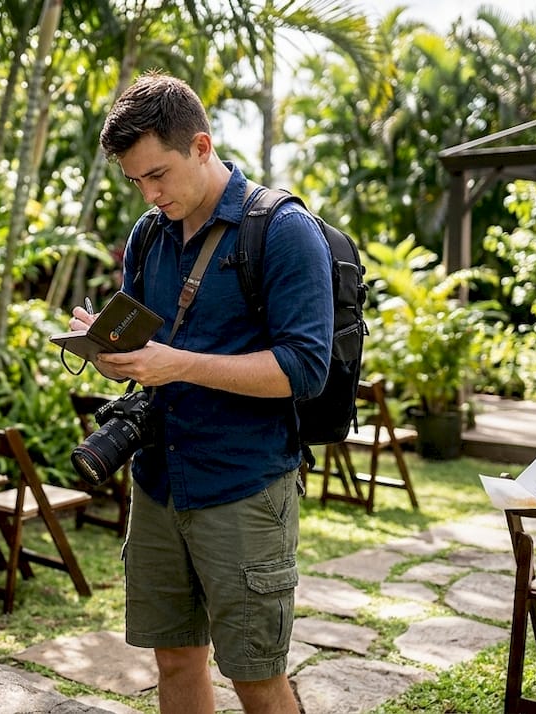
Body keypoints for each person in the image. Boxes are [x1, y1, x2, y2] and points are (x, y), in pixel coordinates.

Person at [68, 72, 333, 714]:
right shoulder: (148, 235)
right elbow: (147, 350)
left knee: (255, 677)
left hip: (242, 486)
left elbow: (305, 368)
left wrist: (175, 365)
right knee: (175, 659)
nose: (150, 193)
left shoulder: (283, 230)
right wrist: (114, 356)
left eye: (158, 174)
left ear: (202, 146)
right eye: (136, 181)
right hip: (159, 482)